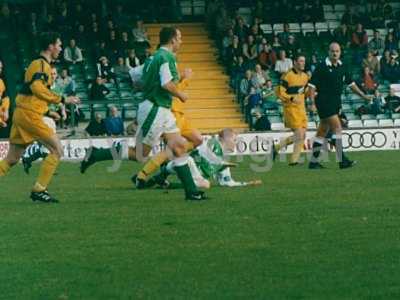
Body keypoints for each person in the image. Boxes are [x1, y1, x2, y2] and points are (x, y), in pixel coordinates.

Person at [80, 27, 206, 201]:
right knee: (140, 154)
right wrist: (181, 93)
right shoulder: (167, 57)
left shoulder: (152, 59)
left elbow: (134, 79)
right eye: (180, 38)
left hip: (161, 108)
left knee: (178, 146)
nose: (182, 41)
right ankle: (97, 154)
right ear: (172, 40)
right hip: (156, 109)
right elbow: (166, 84)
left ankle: (191, 191)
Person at [0, 32, 80, 202]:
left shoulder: (42, 65)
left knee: (12, 159)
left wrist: (48, 111)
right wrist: (62, 99)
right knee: (57, 150)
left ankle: (39, 190)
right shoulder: (40, 64)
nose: (60, 48)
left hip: (24, 113)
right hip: (29, 115)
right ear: (50, 46)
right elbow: (36, 88)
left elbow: (32, 94)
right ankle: (39, 189)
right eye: (58, 45)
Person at [307, 43, 372, 169]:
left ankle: (313, 162)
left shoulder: (342, 66)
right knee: (337, 128)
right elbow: (311, 86)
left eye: (337, 51)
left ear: (340, 52)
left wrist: (363, 96)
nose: (335, 53)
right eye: (332, 51)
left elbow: (351, 84)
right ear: (328, 52)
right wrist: (312, 103)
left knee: (322, 131)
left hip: (335, 103)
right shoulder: (322, 67)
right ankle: (342, 161)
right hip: (323, 102)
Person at [150, 129, 262, 189]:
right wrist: (220, 163)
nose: (236, 143)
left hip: (189, 172)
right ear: (226, 139)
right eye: (234, 139)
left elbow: (227, 183)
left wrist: (246, 184)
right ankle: (163, 173)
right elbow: (200, 151)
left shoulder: (222, 160)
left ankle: (164, 182)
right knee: (186, 161)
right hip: (185, 165)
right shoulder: (213, 143)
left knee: (205, 184)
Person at [274, 54, 310, 165]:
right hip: (291, 108)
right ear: (294, 62)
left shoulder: (305, 76)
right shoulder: (287, 76)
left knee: (302, 135)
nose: (303, 63)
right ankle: (292, 159)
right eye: (300, 61)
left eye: (304, 61)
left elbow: (306, 91)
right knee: (299, 134)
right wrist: (291, 98)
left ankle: (278, 149)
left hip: (302, 108)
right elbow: (279, 92)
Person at [0, 60, 10, 128]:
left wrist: (6, 111)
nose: (0, 70)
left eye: (1, 68)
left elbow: (5, 98)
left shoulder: (1, 82)